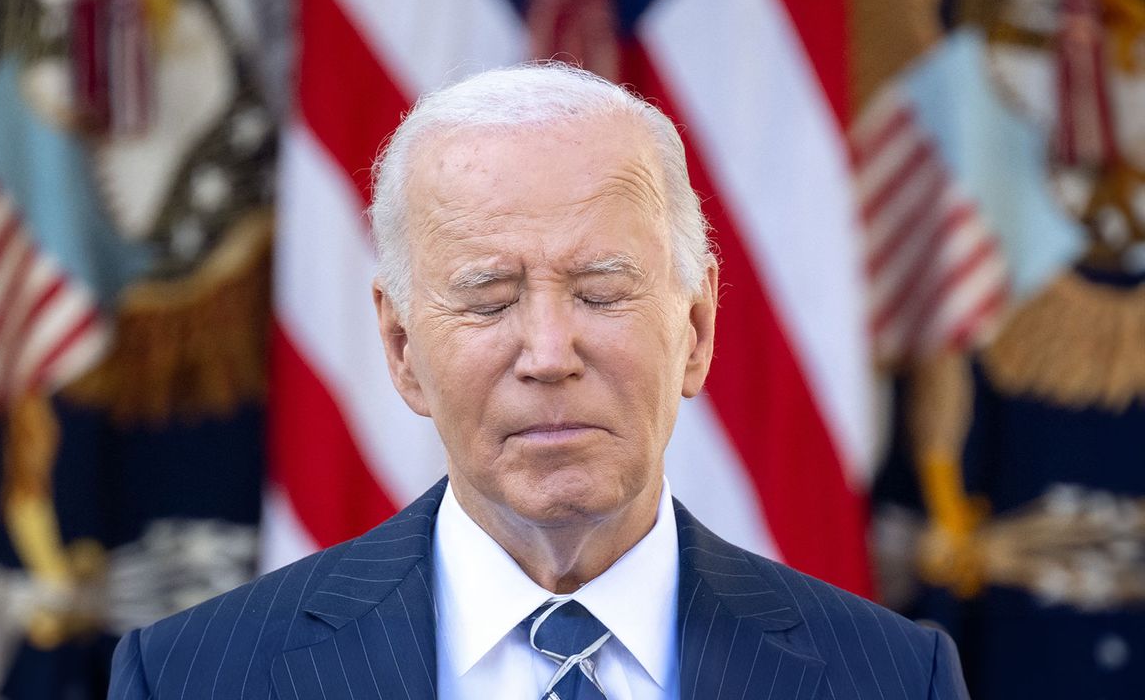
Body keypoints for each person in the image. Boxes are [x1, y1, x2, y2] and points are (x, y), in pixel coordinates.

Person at [108, 63, 969, 699]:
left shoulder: (895, 678)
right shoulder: (192, 677)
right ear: (403, 346)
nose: (549, 351)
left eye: (601, 292)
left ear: (697, 330)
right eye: (489, 300)